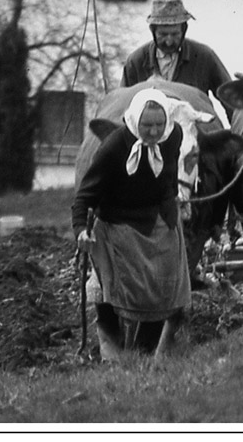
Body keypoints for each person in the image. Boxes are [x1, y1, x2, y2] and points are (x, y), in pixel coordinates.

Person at [72, 88, 190, 360]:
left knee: (164, 289)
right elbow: (85, 196)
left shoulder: (173, 137)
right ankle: (114, 347)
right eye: (147, 125)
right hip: (120, 224)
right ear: (135, 120)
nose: (153, 132)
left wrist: (174, 203)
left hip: (160, 221)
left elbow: (169, 174)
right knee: (121, 290)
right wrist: (81, 229)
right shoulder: (114, 147)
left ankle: (142, 354)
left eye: (159, 125)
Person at [121, 0, 233, 120]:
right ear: (153, 31)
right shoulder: (136, 61)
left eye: (175, 34)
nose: (169, 41)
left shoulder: (204, 57)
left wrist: (239, 130)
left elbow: (231, 100)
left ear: (184, 30)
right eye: (163, 34)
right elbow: (122, 106)